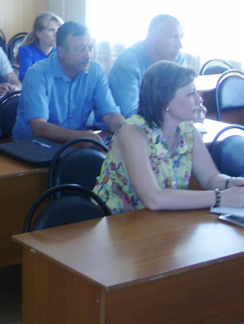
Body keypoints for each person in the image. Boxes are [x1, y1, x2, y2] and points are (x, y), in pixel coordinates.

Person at [94, 61, 244, 213]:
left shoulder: (188, 130)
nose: (199, 99)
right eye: (191, 93)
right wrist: (220, 198)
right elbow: (153, 198)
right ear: (165, 101)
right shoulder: (133, 132)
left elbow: (210, 178)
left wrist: (231, 183)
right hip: (113, 220)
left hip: (160, 219)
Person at [12, 21, 125, 143]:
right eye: (80, 50)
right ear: (61, 52)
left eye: (90, 48)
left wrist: (127, 130)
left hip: (74, 144)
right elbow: (39, 127)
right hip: (33, 145)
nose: (88, 56)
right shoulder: (37, 73)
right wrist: (78, 137)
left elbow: (110, 115)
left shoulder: (95, 71)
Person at [108, 14, 187, 118]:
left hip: (163, 124)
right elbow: (130, 115)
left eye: (180, 37)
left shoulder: (178, 58)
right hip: (124, 126)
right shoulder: (128, 62)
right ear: (154, 38)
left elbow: (186, 101)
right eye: (174, 37)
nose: (180, 45)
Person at [17, 12, 64, 82]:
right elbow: (26, 77)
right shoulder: (26, 51)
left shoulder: (61, 51)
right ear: (38, 33)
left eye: (58, 30)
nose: (56, 34)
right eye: (51, 30)